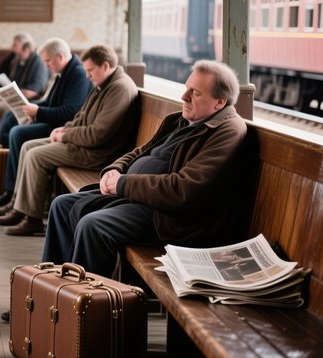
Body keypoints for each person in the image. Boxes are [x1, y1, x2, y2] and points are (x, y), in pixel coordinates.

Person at [42, 60, 249, 277]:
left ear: (219, 102)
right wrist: (115, 169)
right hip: (137, 196)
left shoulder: (227, 131)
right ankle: (50, 286)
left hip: (168, 215)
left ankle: (84, 302)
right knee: (61, 205)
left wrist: (123, 183)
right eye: (186, 88)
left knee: (93, 226)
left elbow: (184, 190)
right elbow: (142, 151)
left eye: (195, 93)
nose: (184, 97)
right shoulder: (182, 120)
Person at [0, 44, 139, 235]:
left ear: (105, 65)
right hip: (84, 144)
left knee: (36, 155)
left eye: (90, 70)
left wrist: (65, 135)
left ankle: (31, 218)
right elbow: (81, 117)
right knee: (28, 146)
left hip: (98, 153)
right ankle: (18, 207)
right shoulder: (105, 83)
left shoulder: (119, 88)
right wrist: (64, 128)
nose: (87, 75)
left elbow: (98, 135)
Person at [0, 38, 92, 208]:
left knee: (18, 133)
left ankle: (12, 191)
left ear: (60, 56)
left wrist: (38, 112)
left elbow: (69, 112)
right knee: (10, 118)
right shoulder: (63, 72)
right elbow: (50, 102)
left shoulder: (78, 74)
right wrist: (29, 107)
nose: (46, 66)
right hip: (55, 123)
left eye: (48, 61)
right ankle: (7, 182)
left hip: (63, 128)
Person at [0, 33, 49, 145]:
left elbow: (36, 89)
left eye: (15, 45)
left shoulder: (37, 61)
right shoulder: (17, 59)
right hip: (17, 94)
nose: (12, 48)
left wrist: (20, 92)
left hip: (30, 99)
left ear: (26, 47)